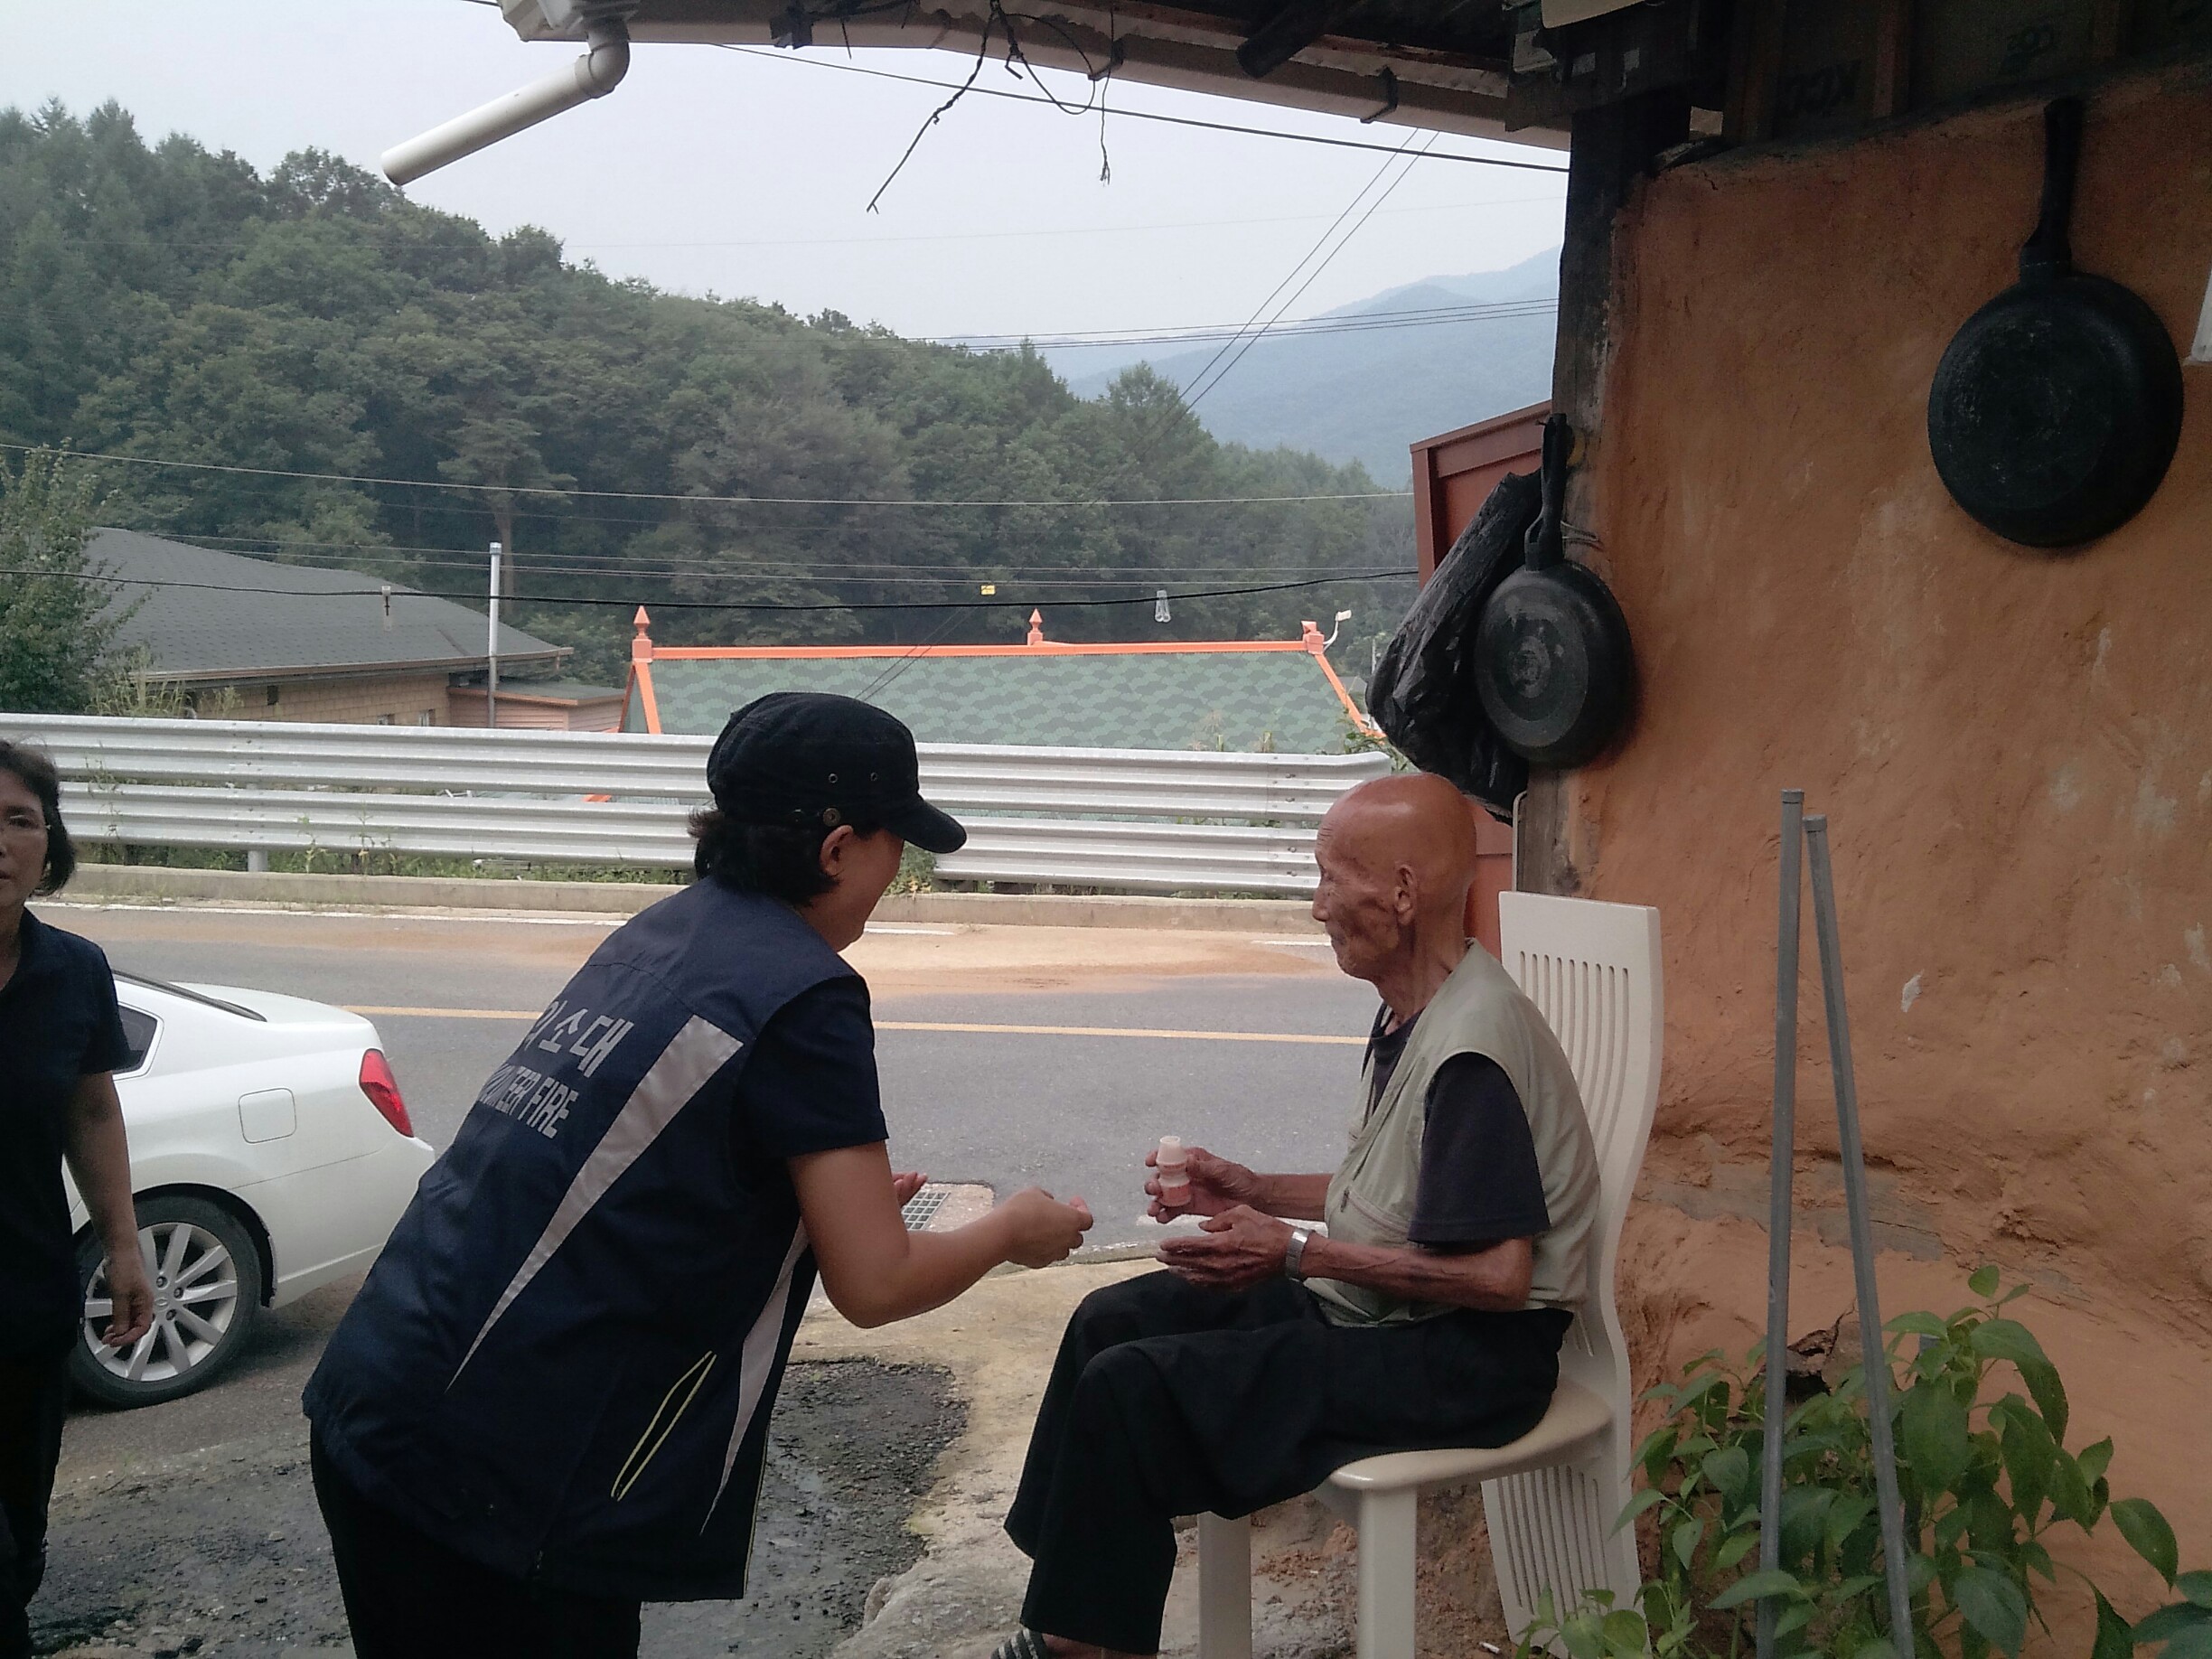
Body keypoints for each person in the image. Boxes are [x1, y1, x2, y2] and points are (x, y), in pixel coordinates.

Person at [304, 692, 1094, 1659]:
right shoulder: (807, 994)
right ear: (837, 849)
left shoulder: (664, 931)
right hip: (505, 1477)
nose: (897, 873)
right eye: (896, 843)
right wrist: (1011, 1231)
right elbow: (877, 1285)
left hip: (382, 1395)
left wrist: (796, 1219)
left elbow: (632, 1163)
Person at [996, 772, 1602, 1659]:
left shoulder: (1473, 1050)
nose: (1317, 906)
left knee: (1134, 1391)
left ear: (1402, 893)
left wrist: (1295, 1256)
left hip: (1468, 1360)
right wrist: (1253, 1190)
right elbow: (1406, 1192)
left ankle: (1077, 1647)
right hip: (1393, 1315)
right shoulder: (1416, 1006)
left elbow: (1500, 1277)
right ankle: (1064, 1620)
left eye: (1329, 878)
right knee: (1108, 1323)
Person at [0, 742, 155, 1659]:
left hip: (26, 1308)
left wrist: (124, 1247)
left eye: (19, 820)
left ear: (47, 845)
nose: (1, 840)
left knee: (22, 1537)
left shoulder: (72, 971)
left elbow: (92, 1109)